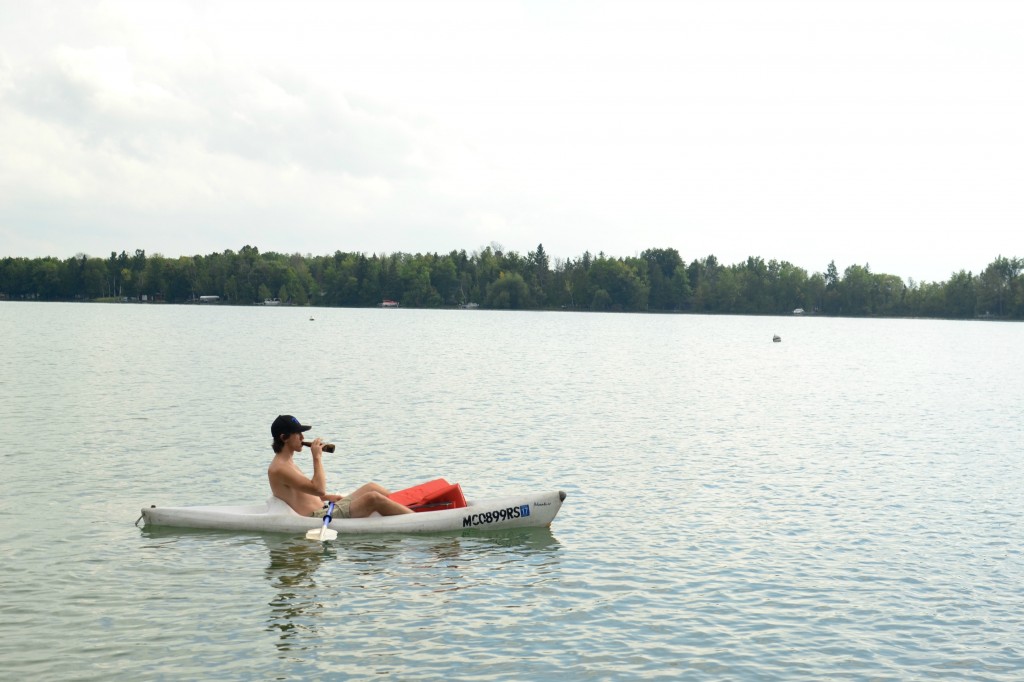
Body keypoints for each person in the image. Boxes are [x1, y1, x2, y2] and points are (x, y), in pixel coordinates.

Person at [267, 414, 415, 519]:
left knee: (372, 487)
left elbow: (302, 491)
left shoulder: (287, 462)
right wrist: (317, 457)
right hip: (319, 516)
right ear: (284, 437)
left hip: (326, 507)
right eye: (298, 433)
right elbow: (318, 488)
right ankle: (415, 520)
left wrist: (325, 497)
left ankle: (407, 510)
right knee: (373, 498)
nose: (303, 438)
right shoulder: (279, 468)